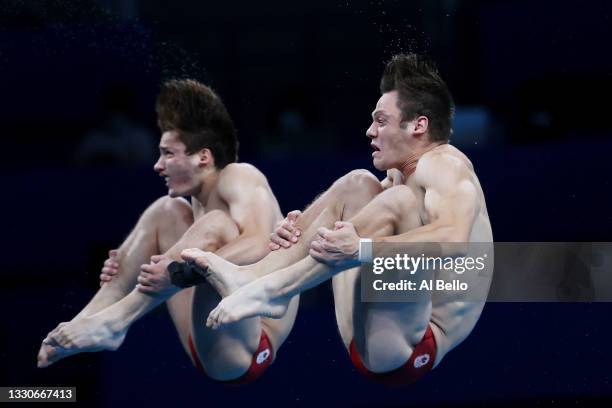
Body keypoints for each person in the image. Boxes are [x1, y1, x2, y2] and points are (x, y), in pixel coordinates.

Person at [184, 54, 494, 386]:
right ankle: (255, 277)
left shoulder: (445, 163)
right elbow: (353, 226)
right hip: (368, 328)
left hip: (416, 342)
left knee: (395, 202)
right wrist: (301, 229)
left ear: (418, 125)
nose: (369, 130)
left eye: (380, 120)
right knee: (357, 184)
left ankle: (274, 288)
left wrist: (360, 248)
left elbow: (456, 240)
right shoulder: (396, 176)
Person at [37, 79, 300, 384]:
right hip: (204, 331)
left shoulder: (239, 176)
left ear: (202, 156)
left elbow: (258, 244)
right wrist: (127, 263)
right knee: (165, 210)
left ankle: (117, 319)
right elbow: (169, 264)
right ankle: (90, 321)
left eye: (168, 154)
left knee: (216, 224)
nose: (157, 166)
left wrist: (178, 270)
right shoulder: (188, 207)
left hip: (251, 343)